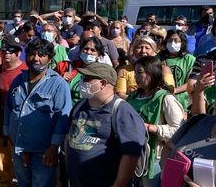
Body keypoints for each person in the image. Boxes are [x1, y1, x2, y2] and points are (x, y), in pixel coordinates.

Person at [4, 38, 72, 187]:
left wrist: (54, 147)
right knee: (23, 183)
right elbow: (9, 108)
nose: (36, 58)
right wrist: (8, 132)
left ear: (49, 59)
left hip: (43, 152)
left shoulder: (58, 84)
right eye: (32, 54)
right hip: (19, 147)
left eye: (41, 55)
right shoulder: (18, 80)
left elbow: (62, 118)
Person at [66, 62, 146, 187]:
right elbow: (68, 138)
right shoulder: (79, 106)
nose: (82, 82)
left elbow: (130, 156)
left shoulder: (122, 112)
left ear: (102, 84)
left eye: (87, 79)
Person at [126, 56, 185, 187]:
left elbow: (179, 131)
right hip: (131, 155)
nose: (135, 76)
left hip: (155, 160)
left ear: (152, 73)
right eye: (134, 72)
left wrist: (150, 128)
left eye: (140, 72)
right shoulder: (132, 97)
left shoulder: (166, 98)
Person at [0, 34, 28, 187]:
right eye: (4, 50)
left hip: (21, 125)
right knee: (1, 159)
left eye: (11, 50)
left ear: (18, 53)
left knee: (22, 161)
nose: (7, 53)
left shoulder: (26, 71)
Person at [64, 35, 112, 106]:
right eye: (86, 49)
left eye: (92, 50)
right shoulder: (68, 67)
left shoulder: (103, 74)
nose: (88, 52)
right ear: (80, 51)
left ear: (99, 55)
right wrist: (62, 80)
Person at [159, 30, 195, 111]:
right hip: (162, 98)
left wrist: (174, 90)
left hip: (183, 100)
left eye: (176, 40)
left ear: (182, 43)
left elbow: (190, 82)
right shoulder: (158, 58)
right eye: (170, 40)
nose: (172, 43)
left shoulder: (189, 59)